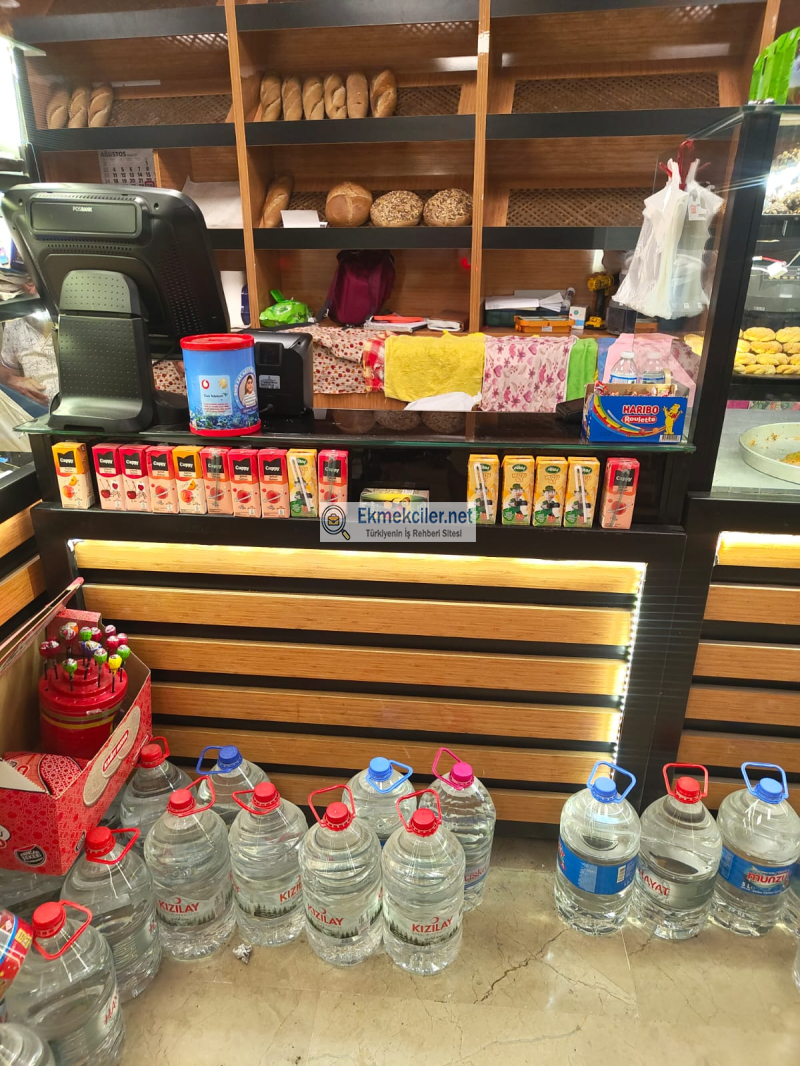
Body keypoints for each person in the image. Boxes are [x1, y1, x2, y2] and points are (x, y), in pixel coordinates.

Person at [0, 313, 59, 416]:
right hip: (37, 414)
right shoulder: (14, 322)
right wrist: (13, 381)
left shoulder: (78, 316)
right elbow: (6, 369)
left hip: (79, 411)